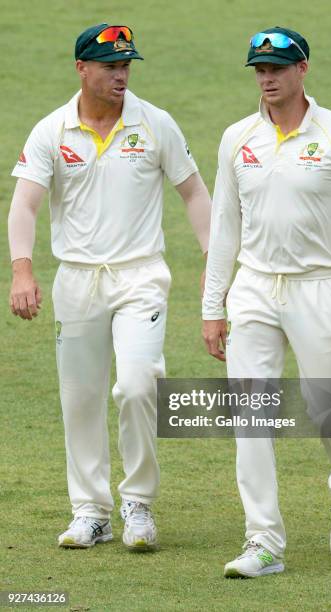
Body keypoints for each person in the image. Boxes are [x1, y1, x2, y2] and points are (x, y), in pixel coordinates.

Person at [9, 23, 211, 551]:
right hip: (76, 282)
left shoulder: (155, 124)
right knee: (81, 399)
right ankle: (91, 512)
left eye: (126, 65)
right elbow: (25, 203)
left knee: (139, 385)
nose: (121, 74)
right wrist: (22, 269)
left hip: (141, 277)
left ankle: (138, 504)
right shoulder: (51, 130)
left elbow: (193, 193)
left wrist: (216, 262)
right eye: (110, 66)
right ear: (82, 68)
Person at [202, 26, 331, 578]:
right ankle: (263, 542)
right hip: (254, 289)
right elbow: (224, 227)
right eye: (259, 70)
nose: (267, 79)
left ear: (302, 70)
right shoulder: (237, 137)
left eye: (277, 69)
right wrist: (214, 306)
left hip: (319, 287)